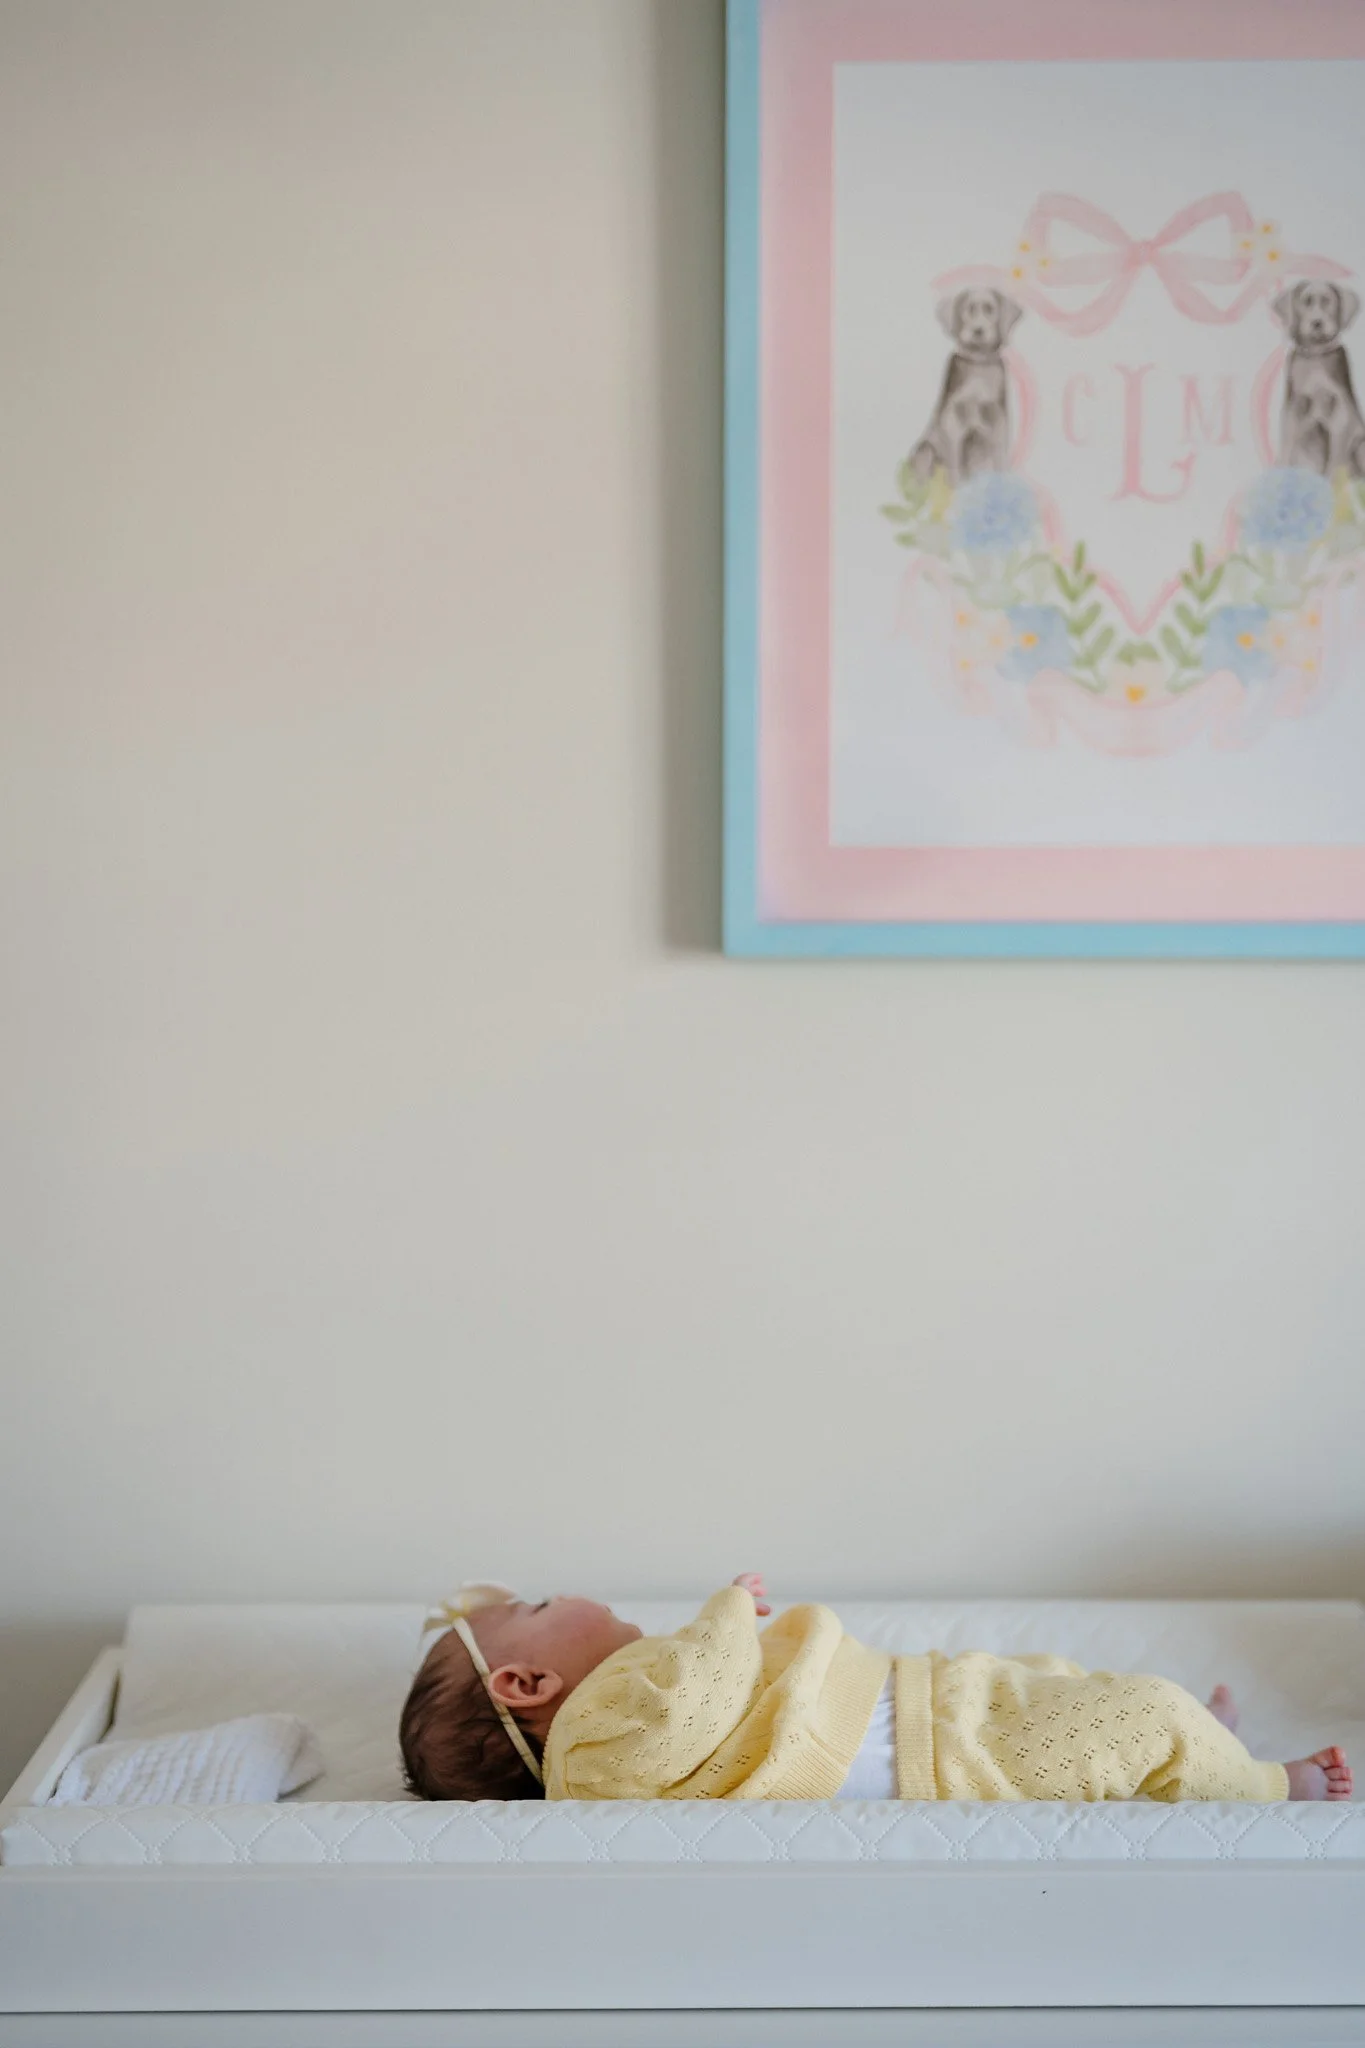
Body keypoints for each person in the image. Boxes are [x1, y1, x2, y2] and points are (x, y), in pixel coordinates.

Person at [399, 1575, 1354, 1807]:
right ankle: (1266, 1784)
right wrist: (728, 1610)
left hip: (913, 1705)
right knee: (1131, 1719)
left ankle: (1197, 1744)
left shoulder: (613, 1717)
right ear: (528, 1682)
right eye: (535, 1602)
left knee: (1064, 1687)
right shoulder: (593, 1745)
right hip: (934, 1759)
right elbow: (687, 1701)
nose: (567, 1592)